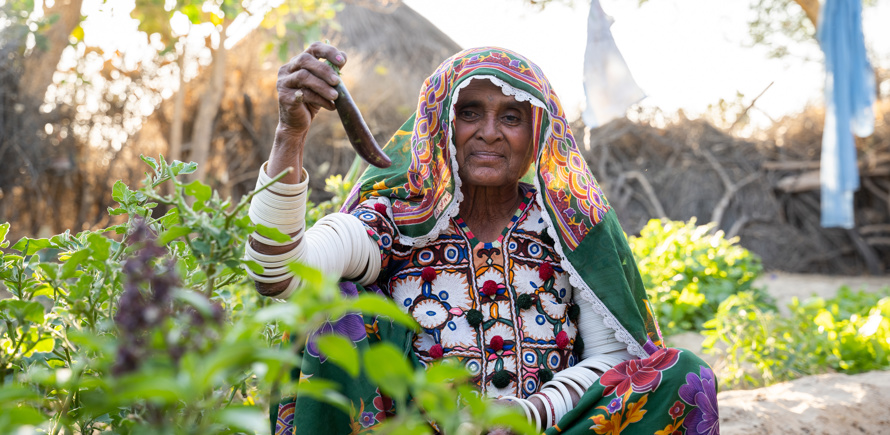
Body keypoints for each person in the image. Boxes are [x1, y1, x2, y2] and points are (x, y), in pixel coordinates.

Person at [247, 43, 719, 435]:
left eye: (511, 117)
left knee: (683, 374)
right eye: (469, 112)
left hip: (545, 428)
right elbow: (278, 273)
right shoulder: (401, 216)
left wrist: (528, 415)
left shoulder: (568, 223)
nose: (489, 133)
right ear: (440, 124)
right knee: (333, 308)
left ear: (537, 135)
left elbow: (613, 360)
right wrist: (291, 133)